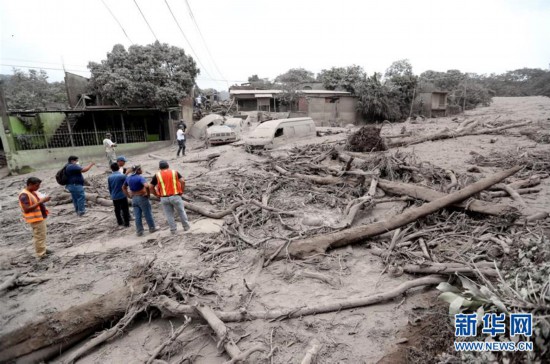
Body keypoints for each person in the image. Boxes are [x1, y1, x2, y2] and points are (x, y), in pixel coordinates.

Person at [150, 160, 190, 235]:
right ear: (168, 166)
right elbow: (183, 181)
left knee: (169, 215)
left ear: (159, 168)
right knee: (181, 211)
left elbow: (151, 187)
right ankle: (186, 227)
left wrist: (157, 195)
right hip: (175, 196)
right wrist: (181, 191)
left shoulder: (157, 175)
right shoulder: (174, 172)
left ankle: (173, 230)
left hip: (164, 198)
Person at [19, 177, 52, 259]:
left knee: (42, 235)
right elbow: (26, 209)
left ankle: (43, 249)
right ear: (30, 185)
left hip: (40, 217)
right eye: (36, 186)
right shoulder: (24, 195)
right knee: (39, 236)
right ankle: (41, 254)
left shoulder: (32, 192)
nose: (38, 188)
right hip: (35, 218)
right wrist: (41, 201)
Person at [122, 165, 158, 236]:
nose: (142, 170)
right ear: (138, 170)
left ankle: (139, 231)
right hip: (142, 197)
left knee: (137, 215)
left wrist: (128, 196)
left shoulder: (128, 178)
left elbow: (123, 187)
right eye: (141, 169)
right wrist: (148, 194)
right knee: (147, 213)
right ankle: (152, 228)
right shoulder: (140, 178)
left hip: (134, 198)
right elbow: (147, 186)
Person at [108, 162, 130, 227]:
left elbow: (109, 187)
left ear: (111, 169)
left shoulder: (109, 177)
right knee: (125, 209)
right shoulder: (121, 176)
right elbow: (127, 183)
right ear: (118, 168)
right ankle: (126, 223)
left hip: (114, 196)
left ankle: (120, 222)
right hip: (122, 195)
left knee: (117, 210)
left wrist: (111, 194)